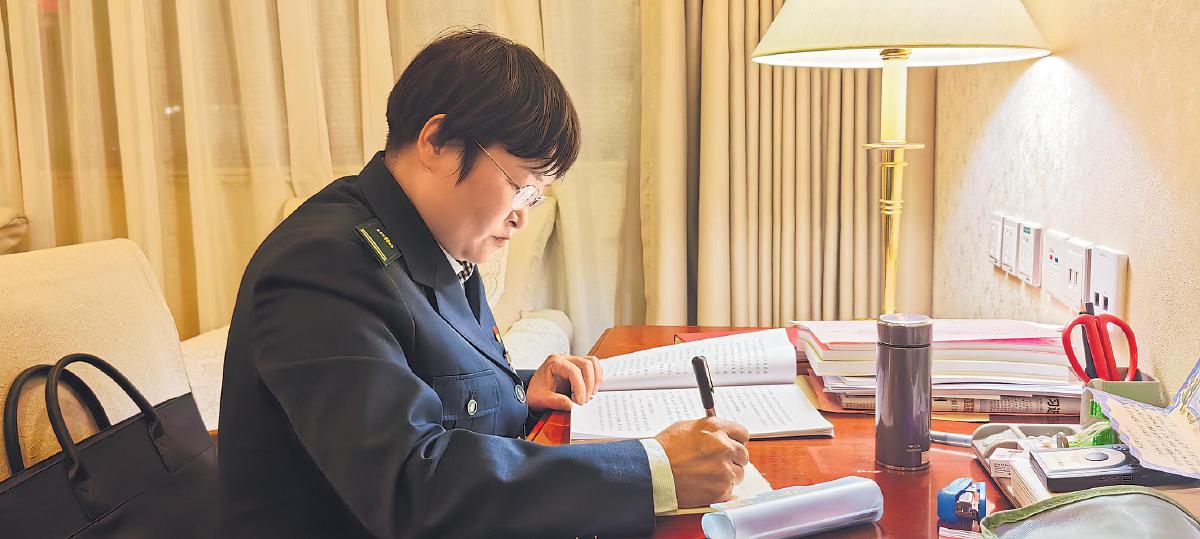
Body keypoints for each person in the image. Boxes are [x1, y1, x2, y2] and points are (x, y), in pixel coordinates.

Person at [217, 29, 749, 538]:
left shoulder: (429, 238)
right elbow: (410, 484)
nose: (521, 216)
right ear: (438, 141)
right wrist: (652, 470)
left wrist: (520, 392)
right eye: (519, 185)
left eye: (534, 197)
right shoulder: (324, 264)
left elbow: (430, 383)